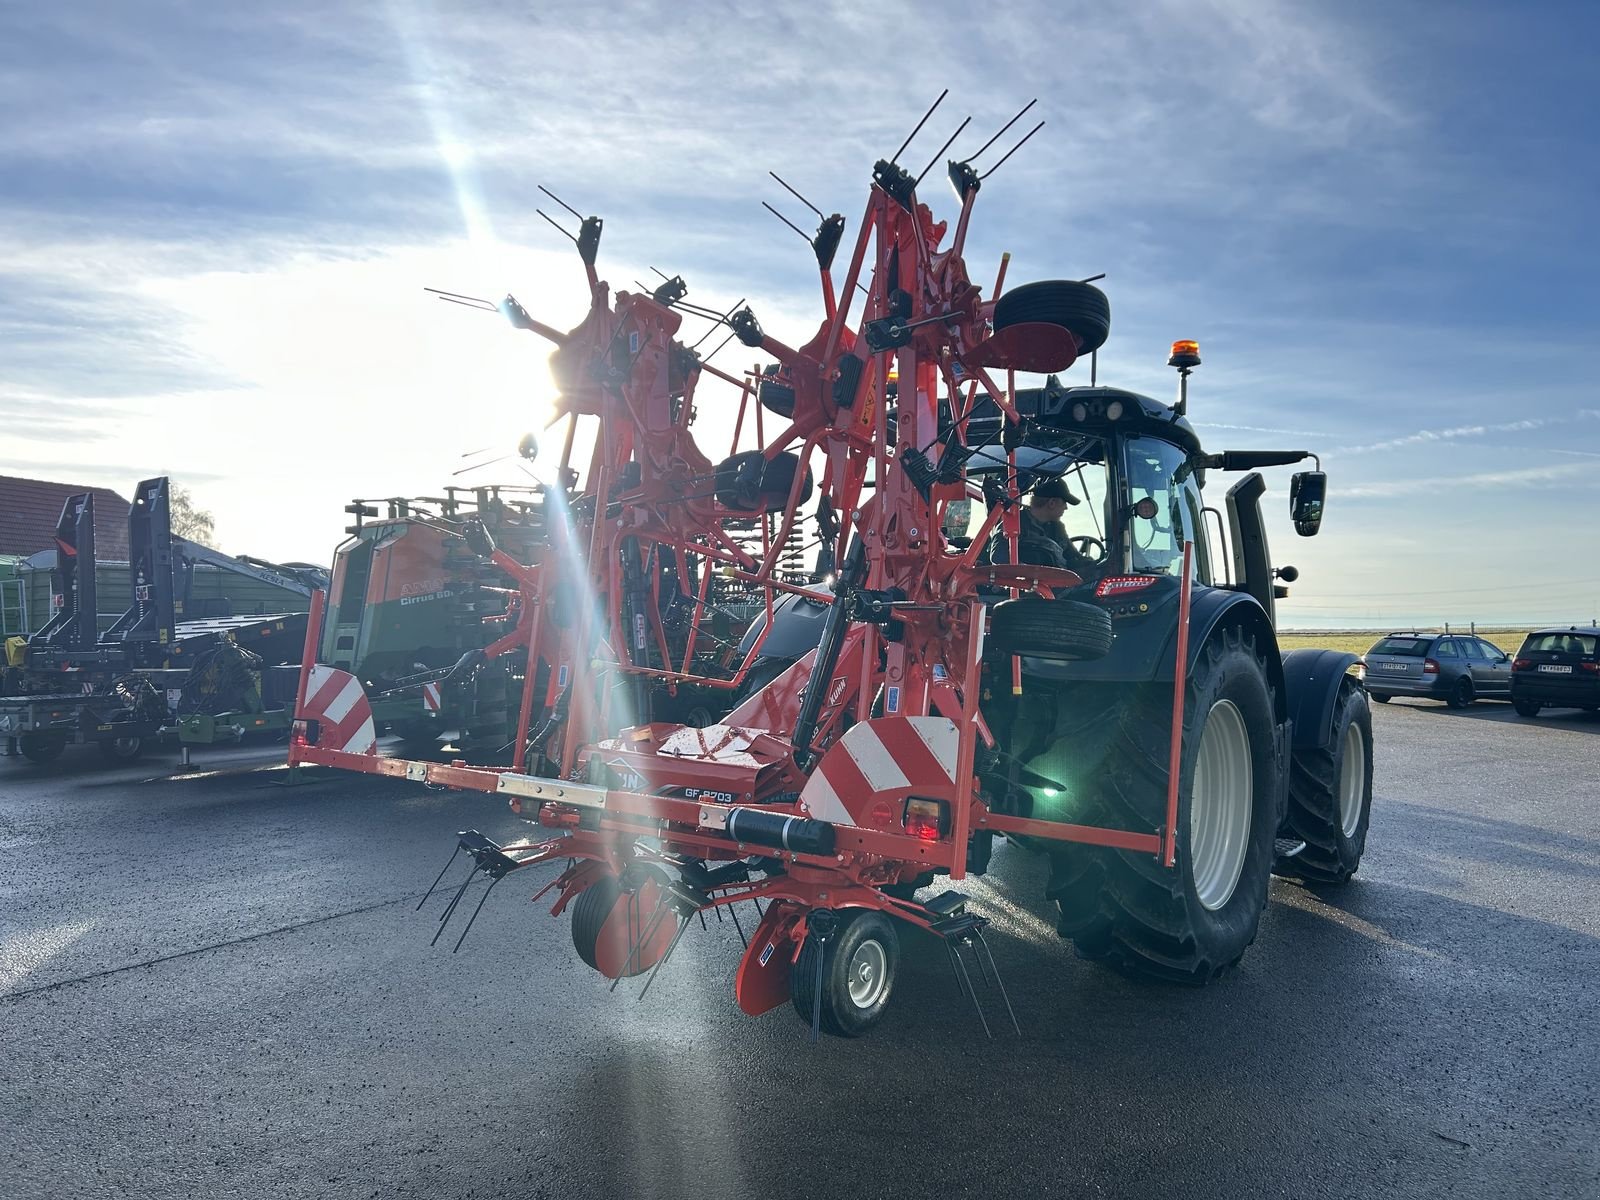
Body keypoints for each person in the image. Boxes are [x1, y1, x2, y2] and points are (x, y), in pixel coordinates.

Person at [987, 475, 1100, 579]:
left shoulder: (1057, 528)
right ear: (1052, 503)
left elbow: (1072, 558)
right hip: (1025, 591)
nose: (1066, 508)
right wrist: (1030, 575)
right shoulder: (1014, 523)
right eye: (1064, 502)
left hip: (1058, 589)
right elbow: (998, 556)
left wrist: (1091, 565)